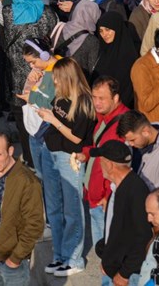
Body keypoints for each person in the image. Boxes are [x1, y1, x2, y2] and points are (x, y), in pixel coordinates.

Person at [35, 57, 95, 278]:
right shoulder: (61, 97)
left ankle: (74, 258)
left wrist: (53, 120)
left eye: (58, 80)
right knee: (53, 209)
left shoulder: (84, 102)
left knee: (72, 209)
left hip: (69, 157)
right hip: (49, 152)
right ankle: (59, 255)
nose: (56, 84)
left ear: (69, 78)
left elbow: (77, 138)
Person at [1, 0, 59, 165]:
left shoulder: (8, 13)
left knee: (23, 118)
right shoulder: (48, 13)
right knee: (45, 114)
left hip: (19, 77)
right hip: (45, 73)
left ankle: (29, 158)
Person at [0, 132, 45, 286]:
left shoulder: (28, 181)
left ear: (10, 151)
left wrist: (15, 259)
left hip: (13, 263)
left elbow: (35, 225)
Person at [73, 77, 131, 252]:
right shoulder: (103, 117)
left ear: (115, 98)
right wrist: (86, 153)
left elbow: (123, 166)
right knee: (103, 253)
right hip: (95, 195)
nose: (96, 103)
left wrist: (109, 197)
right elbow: (100, 148)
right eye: (94, 97)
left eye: (102, 98)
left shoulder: (123, 124)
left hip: (105, 200)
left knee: (110, 254)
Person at [90, 140, 154, 285]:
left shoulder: (135, 191)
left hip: (127, 276)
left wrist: (124, 274)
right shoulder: (117, 188)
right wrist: (107, 258)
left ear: (110, 165)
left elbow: (143, 238)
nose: (99, 164)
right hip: (113, 269)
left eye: (101, 160)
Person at [94, 12, 140, 108]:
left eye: (107, 30)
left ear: (117, 29)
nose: (104, 34)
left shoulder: (128, 56)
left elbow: (128, 90)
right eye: (101, 31)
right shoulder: (103, 51)